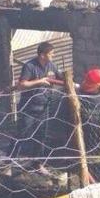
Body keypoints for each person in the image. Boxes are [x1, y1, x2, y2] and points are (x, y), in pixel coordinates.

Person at [13, 41, 62, 173]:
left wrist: (71, 82)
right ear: (42, 55)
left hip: (44, 107)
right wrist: (40, 81)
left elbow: (61, 78)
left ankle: (37, 164)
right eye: (51, 54)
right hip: (29, 108)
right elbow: (22, 85)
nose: (53, 55)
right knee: (21, 135)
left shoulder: (52, 65)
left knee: (41, 136)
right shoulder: (30, 66)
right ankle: (8, 163)